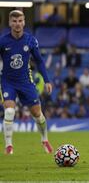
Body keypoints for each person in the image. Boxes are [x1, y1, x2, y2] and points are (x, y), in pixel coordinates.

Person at [0, 10, 53, 155]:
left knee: (37, 113)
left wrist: (47, 80)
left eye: (20, 21)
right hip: (7, 82)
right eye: (14, 21)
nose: (17, 24)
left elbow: (40, 61)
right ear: (10, 23)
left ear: (24, 22)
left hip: (25, 82)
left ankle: (45, 140)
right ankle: (9, 146)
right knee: (10, 111)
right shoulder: (2, 41)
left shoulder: (30, 40)